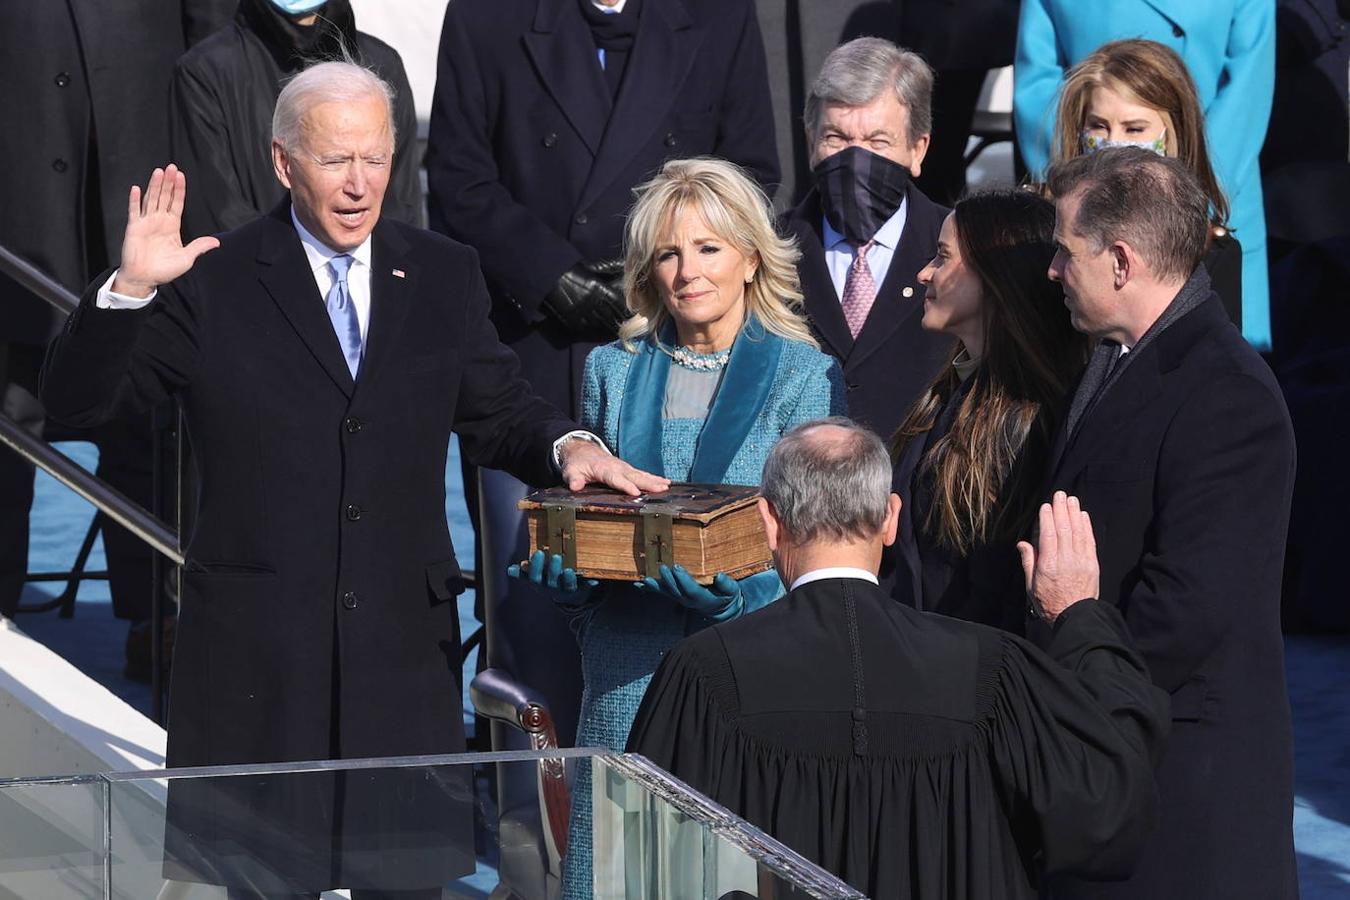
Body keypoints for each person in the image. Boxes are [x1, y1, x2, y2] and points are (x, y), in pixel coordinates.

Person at [40, 61, 666, 898]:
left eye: (376, 158)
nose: (359, 183)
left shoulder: (443, 271)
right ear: (283, 162)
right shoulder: (213, 279)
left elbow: (501, 410)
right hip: (258, 669)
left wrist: (568, 446)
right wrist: (128, 293)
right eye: (336, 161)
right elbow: (83, 409)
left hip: (398, 664)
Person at [425, 0, 781, 756]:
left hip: (677, 352)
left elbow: (750, 171)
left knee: (678, 588)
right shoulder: (486, 16)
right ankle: (537, 835)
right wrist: (547, 273)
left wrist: (657, 270)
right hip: (532, 359)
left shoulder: (718, 16)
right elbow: (456, 176)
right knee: (532, 612)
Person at [629, 418, 1169, 900]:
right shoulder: (991, 668)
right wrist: (1080, 617)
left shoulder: (701, 673)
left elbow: (646, 862)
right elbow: (1109, 814)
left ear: (768, 520)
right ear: (891, 518)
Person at [516, 156, 844, 900]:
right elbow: (597, 528)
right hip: (624, 681)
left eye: (707, 248)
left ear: (752, 256)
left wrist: (736, 598)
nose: (686, 270)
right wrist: (572, 587)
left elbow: (813, 552)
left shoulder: (805, 375)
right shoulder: (609, 368)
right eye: (667, 252)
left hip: (747, 690)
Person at [1039, 147, 1297, 899]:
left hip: (1185, 797)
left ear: (1120, 260)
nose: (1053, 270)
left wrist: (1071, 639)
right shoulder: (1109, 357)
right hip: (1115, 768)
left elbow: (1187, 612)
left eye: (1064, 251)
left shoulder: (1229, 399)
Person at [0, 0, 223, 675]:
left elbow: (212, 34)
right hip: (16, 201)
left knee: (148, 431)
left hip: (147, 192)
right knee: (9, 432)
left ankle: (155, 617)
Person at [1013, 0, 1275, 348]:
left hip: (1215, 178)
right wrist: (1075, 186)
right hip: (1080, 206)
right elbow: (1037, 79)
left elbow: (1248, 85)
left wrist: (1188, 198)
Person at [887, 189, 1088, 631]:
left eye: (942, 258)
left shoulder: (1033, 419)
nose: (924, 274)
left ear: (993, 277)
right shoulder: (952, 388)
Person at [783, 37, 954, 441]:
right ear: (811, 142)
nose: (855, 160)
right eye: (836, 139)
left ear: (918, 149)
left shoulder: (962, 256)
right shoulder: (767, 250)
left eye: (878, 142)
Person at [170, 0, 422, 238]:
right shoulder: (206, 72)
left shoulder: (380, 65)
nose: (356, 186)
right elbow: (216, 211)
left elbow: (401, 206)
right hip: (253, 275)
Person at [1046, 38, 1243, 328]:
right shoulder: (1040, 229)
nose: (1113, 143)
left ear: (1173, 133)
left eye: (1134, 128)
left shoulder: (1211, 251)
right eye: (1098, 126)